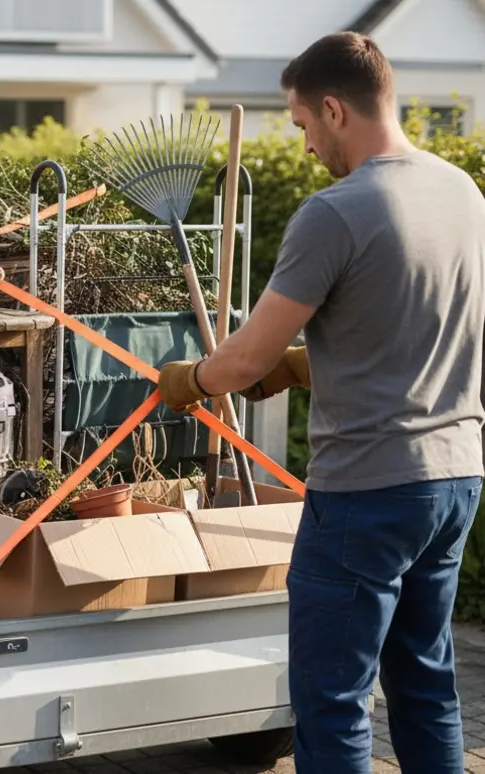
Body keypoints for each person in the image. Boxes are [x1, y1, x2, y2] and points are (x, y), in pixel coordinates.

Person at [156, 32, 485, 772]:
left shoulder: (334, 212)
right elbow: (425, 326)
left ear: (334, 109)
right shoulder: (462, 193)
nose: (303, 144)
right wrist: (308, 368)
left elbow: (243, 360)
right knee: (426, 684)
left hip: (367, 491)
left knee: (333, 700)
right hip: (455, 479)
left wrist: (190, 381)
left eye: (302, 124)